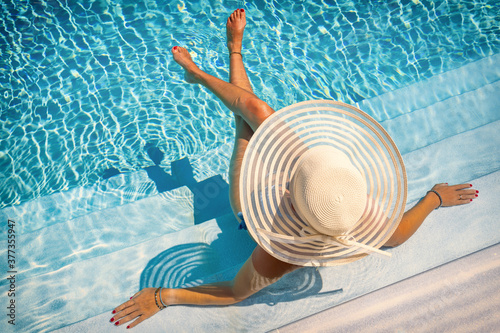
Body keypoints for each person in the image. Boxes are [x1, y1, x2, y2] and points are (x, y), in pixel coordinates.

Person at [110, 9, 478, 329]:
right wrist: (433, 199)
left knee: (245, 129)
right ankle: (223, 61)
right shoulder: (349, 201)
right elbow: (395, 235)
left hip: (252, 206)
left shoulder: (280, 252)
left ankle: (206, 68)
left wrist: (163, 297)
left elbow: (235, 293)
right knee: (256, 112)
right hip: (308, 179)